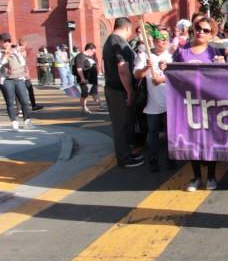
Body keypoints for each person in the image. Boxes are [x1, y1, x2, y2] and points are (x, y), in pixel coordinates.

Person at [173, 16, 225, 191]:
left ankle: (211, 176)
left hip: (208, 105)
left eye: (206, 30)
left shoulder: (214, 54)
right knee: (192, 140)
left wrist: (223, 66)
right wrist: (165, 67)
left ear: (212, 35)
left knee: (210, 140)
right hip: (187, 103)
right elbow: (172, 74)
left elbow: (222, 81)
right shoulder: (182, 52)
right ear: (193, 30)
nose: (201, 32)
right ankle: (195, 177)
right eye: (198, 28)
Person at [102, 17, 144, 168]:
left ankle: (127, 153)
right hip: (119, 90)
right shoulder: (118, 42)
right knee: (120, 126)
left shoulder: (109, 40)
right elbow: (123, 69)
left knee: (125, 124)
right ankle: (124, 159)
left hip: (114, 89)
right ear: (127, 28)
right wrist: (130, 91)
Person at [134, 26, 176, 173]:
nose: (163, 40)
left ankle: (171, 160)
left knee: (171, 133)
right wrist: (147, 67)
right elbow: (137, 75)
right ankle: (153, 160)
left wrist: (163, 78)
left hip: (171, 104)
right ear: (154, 38)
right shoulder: (144, 55)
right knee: (153, 134)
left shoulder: (173, 56)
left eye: (166, 37)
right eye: (160, 37)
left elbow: (180, 77)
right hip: (152, 105)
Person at [0, 33, 34, 131]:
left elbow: (22, 63)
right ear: (0, 42)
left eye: (8, 41)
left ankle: (26, 121)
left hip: (19, 79)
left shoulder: (15, 51)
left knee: (25, 101)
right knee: (10, 103)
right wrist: (5, 56)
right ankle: (14, 123)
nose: (7, 43)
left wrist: (20, 53)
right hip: (6, 80)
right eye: (4, 41)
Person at [16, 39, 44, 111]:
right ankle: (19, 109)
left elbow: (25, 63)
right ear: (20, 44)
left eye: (25, 45)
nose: (25, 47)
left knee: (30, 89)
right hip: (19, 75)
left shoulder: (24, 51)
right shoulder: (16, 51)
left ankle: (33, 105)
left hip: (25, 74)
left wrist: (27, 73)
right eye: (23, 45)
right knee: (19, 92)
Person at [74, 43, 100, 115]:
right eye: (93, 51)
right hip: (85, 79)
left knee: (95, 93)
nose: (94, 53)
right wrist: (82, 78)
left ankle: (100, 105)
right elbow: (79, 68)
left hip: (93, 79)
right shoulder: (80, 56)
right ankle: (84, 108)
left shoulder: (90, 57)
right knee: (85, 94)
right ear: (89, 49)